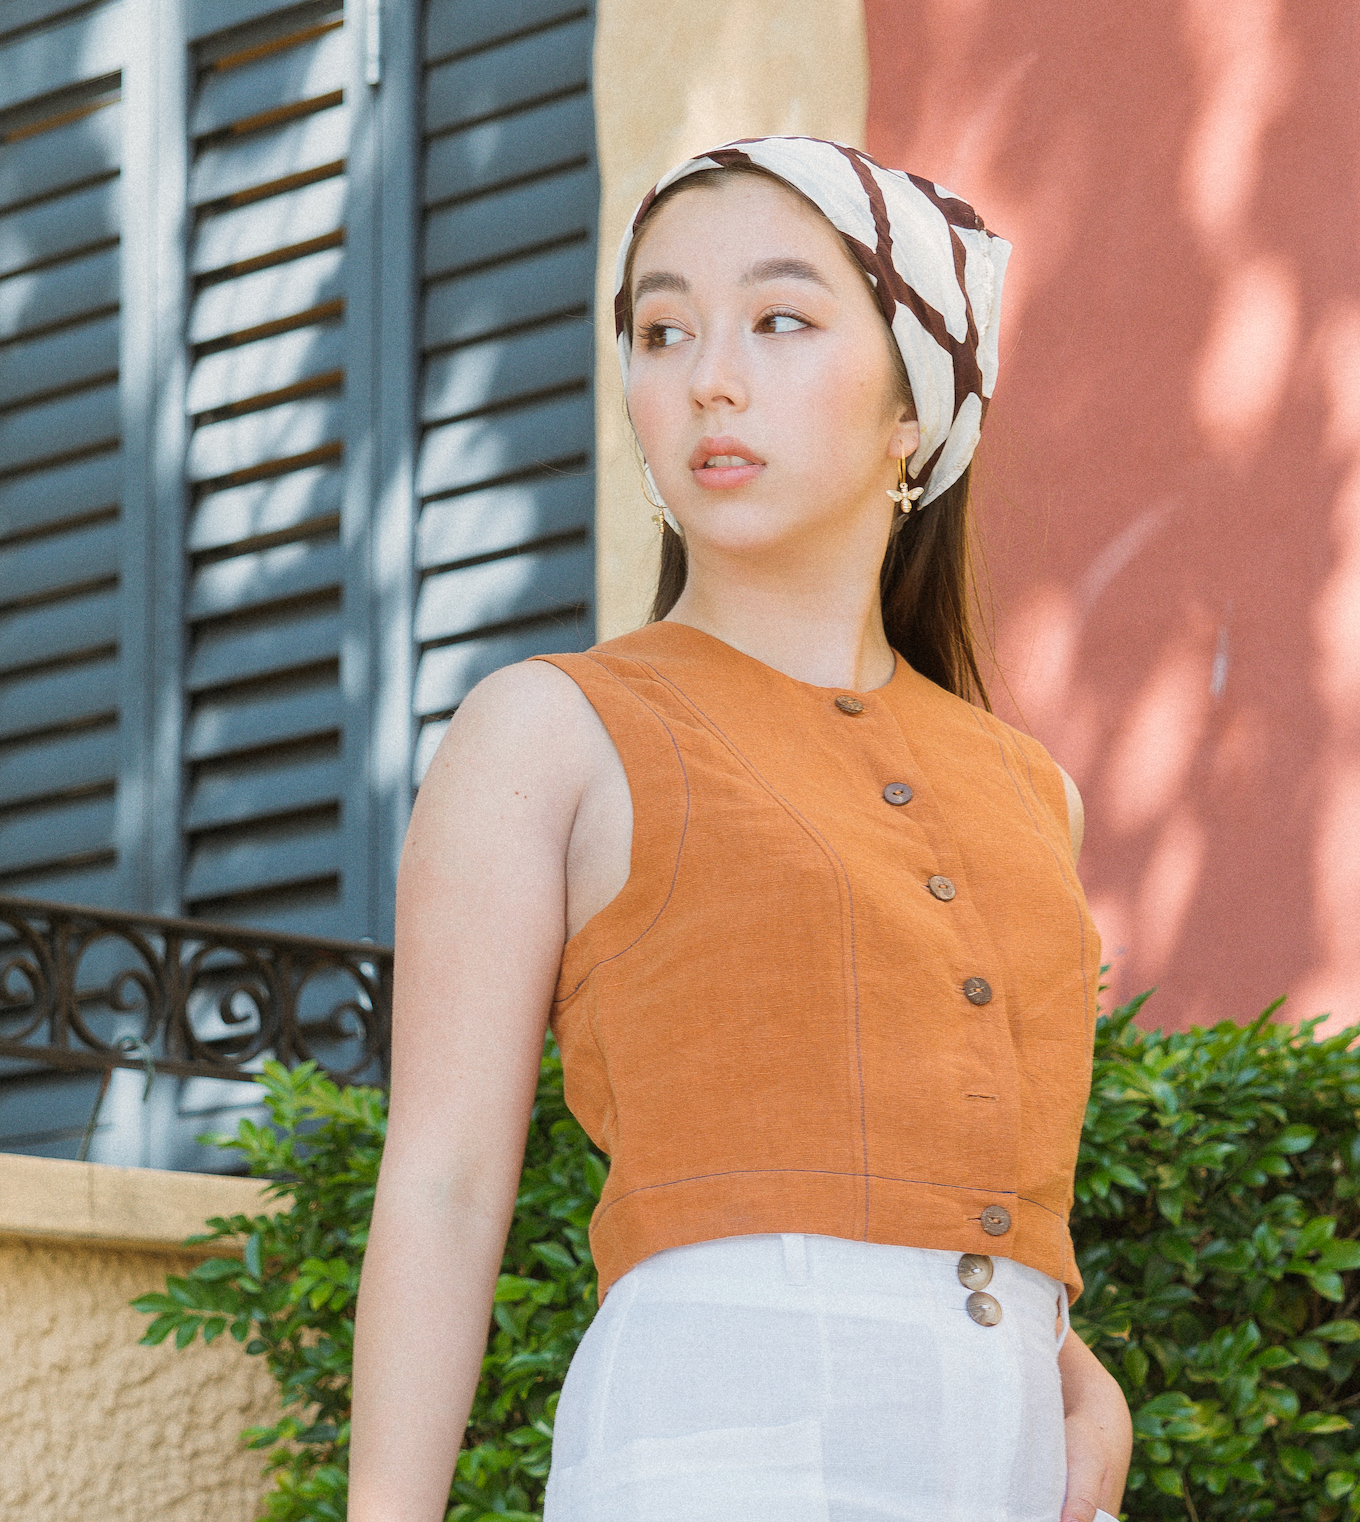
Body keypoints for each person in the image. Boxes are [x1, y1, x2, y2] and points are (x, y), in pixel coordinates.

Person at [349, 136, 1133, 1522]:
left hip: (1009, 1462)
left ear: (913, 404)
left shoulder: (1033, 793)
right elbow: (448, 1183)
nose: (708, 373)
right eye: (663, 328)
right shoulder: (545, 732)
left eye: (780, 319)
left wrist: (1067, 1356)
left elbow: (930, 1167)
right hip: (716, 1439)